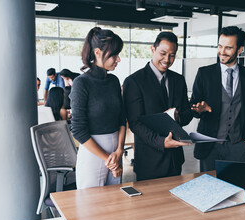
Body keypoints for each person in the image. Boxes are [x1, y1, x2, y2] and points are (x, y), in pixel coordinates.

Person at [123, 32, 193, 181]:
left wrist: (177, 116)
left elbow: (187, 114)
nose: (167, 59)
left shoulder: (178, 80)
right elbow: (135, 124)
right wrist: (161, 142)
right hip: (149, 161)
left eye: (172, 55)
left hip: (175, 160)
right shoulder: (134, 81)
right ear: (152, 49)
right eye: (163, 53)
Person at [190, 26, 245, 172]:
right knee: (207, 189)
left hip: (238, 147)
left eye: (228, 48)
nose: (222, 52)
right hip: (209, 145)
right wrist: (200, 109)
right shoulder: (204, 74)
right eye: (220, 46)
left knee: (235, 189)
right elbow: (193, 108)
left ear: (239, 50)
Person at [70, 27, 126, 189]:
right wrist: (109, 160)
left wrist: (119, 151)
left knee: (114, 204)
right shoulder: (81, 83)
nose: (118, 59)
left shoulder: (114, 81)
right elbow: (78, 130)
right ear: (98, 52)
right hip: (93, 153)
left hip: (116, 151)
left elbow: (122, 118)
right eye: (114, 55)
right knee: (91, 207)